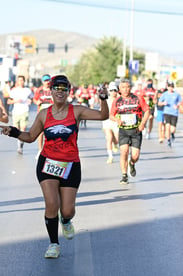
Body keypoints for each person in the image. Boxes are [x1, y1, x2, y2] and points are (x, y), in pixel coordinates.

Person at [0, 75, 109, 259]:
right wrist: (13, 132)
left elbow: (103, 115)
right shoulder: (44, 114)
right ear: (50, 91)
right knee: (51, 204)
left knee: (67, 210)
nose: (59, 91)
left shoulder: (77, 111)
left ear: (68, 92)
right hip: (47, 163)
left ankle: (65, 220)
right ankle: (53, 244)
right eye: (56, 88)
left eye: (63, 88)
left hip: (71, 165)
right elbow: (30, 137)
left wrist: (104, 99)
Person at [110, 78, 150, 185]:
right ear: (119, 89)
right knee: (124, 152)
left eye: (127, 87)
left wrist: (142, 124)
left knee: (135, 155)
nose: (126, 89)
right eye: (123, 87)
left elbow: (147, 111)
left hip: (136, 130)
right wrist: (117, 120)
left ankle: (132, 163)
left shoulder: (138, 98)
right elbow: (111, 115)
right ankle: (124, 175)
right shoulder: (117, 101)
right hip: (123, 131)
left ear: (130, 88)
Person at [7, 75, 33, 154]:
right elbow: (9, 101)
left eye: (22, 80)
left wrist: (30, 101)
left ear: (24, 81)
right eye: (19, 80)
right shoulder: (14, 91)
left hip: (24, 111)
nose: (20, 82)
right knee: (16, 130)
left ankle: (20, 147)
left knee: (23, 129)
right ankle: (19, 144)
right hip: (16, 112)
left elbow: (32, 98)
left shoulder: (27, 90)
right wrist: (16, 101)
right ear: (17, 81)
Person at [33, 74, 53, 158]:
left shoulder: (53, 89)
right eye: (45, 80)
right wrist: (37, 102)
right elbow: (34, 99)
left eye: (48, 80)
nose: (47, 82)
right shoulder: (39, 90)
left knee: (51, 132)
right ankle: (40, 150)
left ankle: (50, 150)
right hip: (41, 113)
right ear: (42, 81)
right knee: (40, 132)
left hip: (52, 113)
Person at [158, 80, 182, 147]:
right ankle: (168, 140)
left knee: (173, 129)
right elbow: (159, 103)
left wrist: (177, 105)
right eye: (169, 86)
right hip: (166, 112)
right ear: (167, 87)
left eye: (172, 86)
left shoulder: (177, 94)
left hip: (174, 113)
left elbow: (181, 102)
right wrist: (163, 103)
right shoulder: (164, 94)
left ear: (173, 87)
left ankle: (172, 134)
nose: (170, 88)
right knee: (167, 126)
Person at [102, 82, 120, 164]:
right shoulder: (106, 100)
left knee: (116, 139)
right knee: (109, 138)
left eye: (115, 90)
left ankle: (115, 144)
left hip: (116, 121)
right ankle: (110, 156)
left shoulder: (120, 100)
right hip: (107, 122)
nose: (113, 92)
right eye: (111, 90)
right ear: (109, 91)